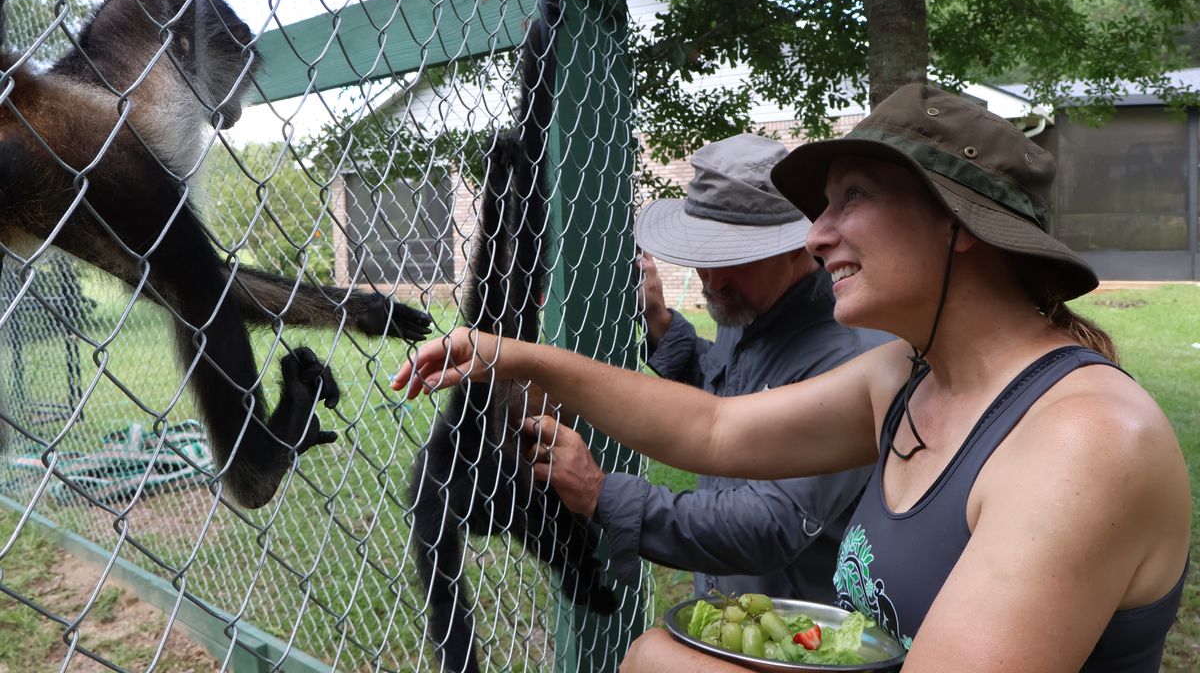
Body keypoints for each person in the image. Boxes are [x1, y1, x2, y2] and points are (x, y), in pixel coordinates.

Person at [394, 83, 1191, 672]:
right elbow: (713, 429)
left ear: (959, 227)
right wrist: (515, 355)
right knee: (654, 659)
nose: (817, 235)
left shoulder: (1081, 443)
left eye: (852, 198)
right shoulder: (907, 376)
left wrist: (606, 499)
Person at [536, 133, 888, 602]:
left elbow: (770, 526)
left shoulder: (850, 351)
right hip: (733, 609)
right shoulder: (751, 303)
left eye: (736, 259)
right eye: (705, 256)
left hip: (805, 630)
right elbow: (736, 395)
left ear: (797, 246)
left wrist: (601, 493)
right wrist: (662, 326)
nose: (714, 280)